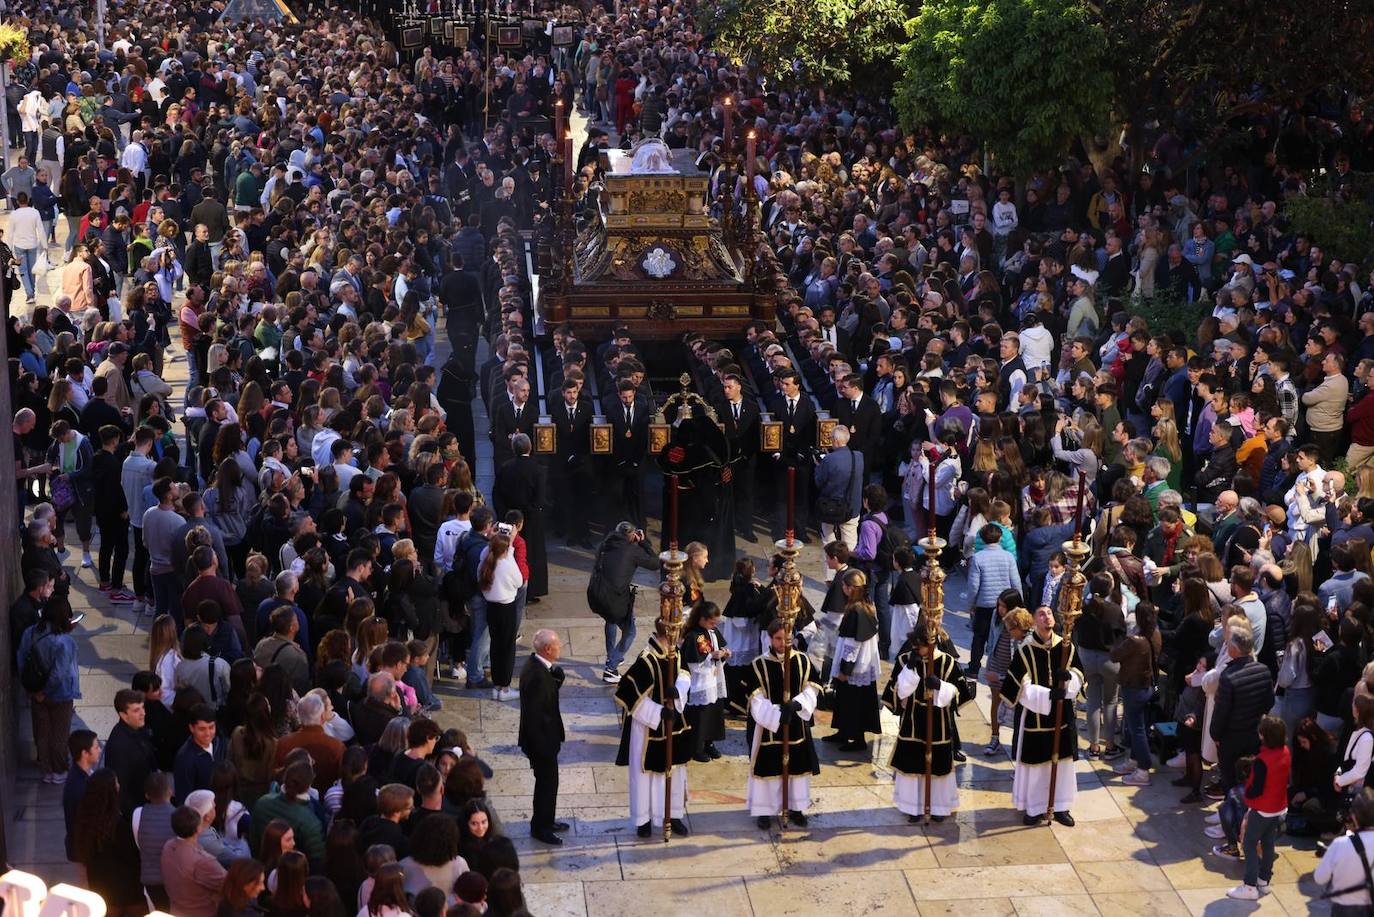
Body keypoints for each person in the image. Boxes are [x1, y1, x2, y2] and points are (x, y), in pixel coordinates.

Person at [1003, 604, 1084, 826]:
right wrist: (1049, 696)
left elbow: (1079, 674)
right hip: (1036, 717)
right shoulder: (1025, 650)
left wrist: (1068, 681)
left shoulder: (1066, 646)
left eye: (1049, 613)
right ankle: (1035, 807)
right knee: (1036, 766)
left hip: (1062, 716)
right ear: (1034, 621)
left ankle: (1060, 806)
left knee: (1063, 764)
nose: (1046, 617)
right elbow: (1020, 687)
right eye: (1041, 614)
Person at [614, 618, 692, 837]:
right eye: (676, 632)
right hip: (648, 729)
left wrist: (678, 692)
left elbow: (685, 674)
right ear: (667, 633)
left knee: (675, 773)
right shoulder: (646, 660)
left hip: (673, 724)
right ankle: (644, 820)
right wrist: (659, 713)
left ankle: (673, 814)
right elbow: (628, 695)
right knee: (646, 777)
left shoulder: (675, 653)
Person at [883, 620, 961, 821]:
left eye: (921, 645)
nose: (916, 649)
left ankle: (938, 807)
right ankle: (913, 807)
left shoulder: (947, 662)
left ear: (932, 643)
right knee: (912, 764)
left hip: (939, 724)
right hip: (912, 723)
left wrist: (941, 686)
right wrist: (910, 669)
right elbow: (897, 692)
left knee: (939, 765)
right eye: (914, 645)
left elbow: (960, 692)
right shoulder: (905, 661)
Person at [18, 596, 82, 783]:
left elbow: (22, 661)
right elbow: (59, 673)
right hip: (59, 695)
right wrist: (45, 691)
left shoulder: (29, 633)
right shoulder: (64, 642)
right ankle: (59, 770)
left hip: (36, 692)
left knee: (42, 732)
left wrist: (34, 690)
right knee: (59, 734)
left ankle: (46, 769)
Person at [1227, 715, 1291, 900]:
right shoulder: (1286, 751)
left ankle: (1249, 886)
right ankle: (1264, 881)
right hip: (1279, 807)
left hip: (1263, 809)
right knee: (1269, 843)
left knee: (1249, 843)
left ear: (1264, 736)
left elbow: (1256, 789)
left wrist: (1247, 793)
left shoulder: (1263, 760)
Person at [587, 521, 658, 685]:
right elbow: (654, 563)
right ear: (631, 535)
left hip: (596, 594)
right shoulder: (632, 550)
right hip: (615, 598)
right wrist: (643, 542)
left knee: (610, 620)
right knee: (630, 631)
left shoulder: (604, 544)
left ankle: (611, 656)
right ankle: (611, 668)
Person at [518, 628, 568, 846]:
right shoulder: (537, 676)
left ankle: (546, 819)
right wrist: (544, 748)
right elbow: (535, 716)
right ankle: (541, 828)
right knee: (546, 784)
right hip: (542, 743)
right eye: (557, 645)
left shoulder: (537, 667)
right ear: (548, 649)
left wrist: (556, 681)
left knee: (549, 784)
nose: (560, 648)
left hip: (545, 740)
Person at [72, 769, 144, 915]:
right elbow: (131, 858)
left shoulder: (84, 819)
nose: (119, 785)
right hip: (126, 889)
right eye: (116, 783)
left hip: (100, 887)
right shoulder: (118, 825)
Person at [827, 569, 882, 752]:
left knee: (854, 703)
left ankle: (857, 739)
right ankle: (842, 732)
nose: (842, 588)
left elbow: (853, 645)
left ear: (851, 588)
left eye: (844, 585)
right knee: (845, 699)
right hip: (861, 664)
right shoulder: (866, 605)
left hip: (856, 666)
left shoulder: (857, 611)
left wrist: (845, 671)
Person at [681, 601, 730, 762]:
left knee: (714, 714)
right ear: (701, 619)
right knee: (701, 718)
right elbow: (693, 664)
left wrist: (724, 653)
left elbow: (720, 648)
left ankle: (710, 743)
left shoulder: (712, 631)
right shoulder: (692, 636)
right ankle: (697, 748)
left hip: (714, 680)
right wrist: (712, 656)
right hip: (700, 683)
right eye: (711, 622)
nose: (714, 625)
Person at [162, 803, 229, 917]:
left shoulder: (168, 846)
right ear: (198, 828)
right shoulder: (203, 861)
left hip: (176, 911)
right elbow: (229, 884)